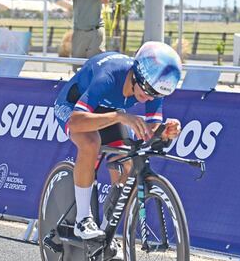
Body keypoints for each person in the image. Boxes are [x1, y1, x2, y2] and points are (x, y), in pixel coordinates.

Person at [53, 41, 182, 240]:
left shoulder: (153, 85)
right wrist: (120, 117)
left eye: (156, 95)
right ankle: (82, 220)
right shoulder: (109, 76)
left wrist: (165, 132)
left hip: (109, 112)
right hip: (72, 107)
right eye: (147, 92)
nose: (149, 99)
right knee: (90, 143)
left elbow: (151, 133)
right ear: (137, 75)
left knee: (128, 164)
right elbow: (77, 121)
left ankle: (105, 234)